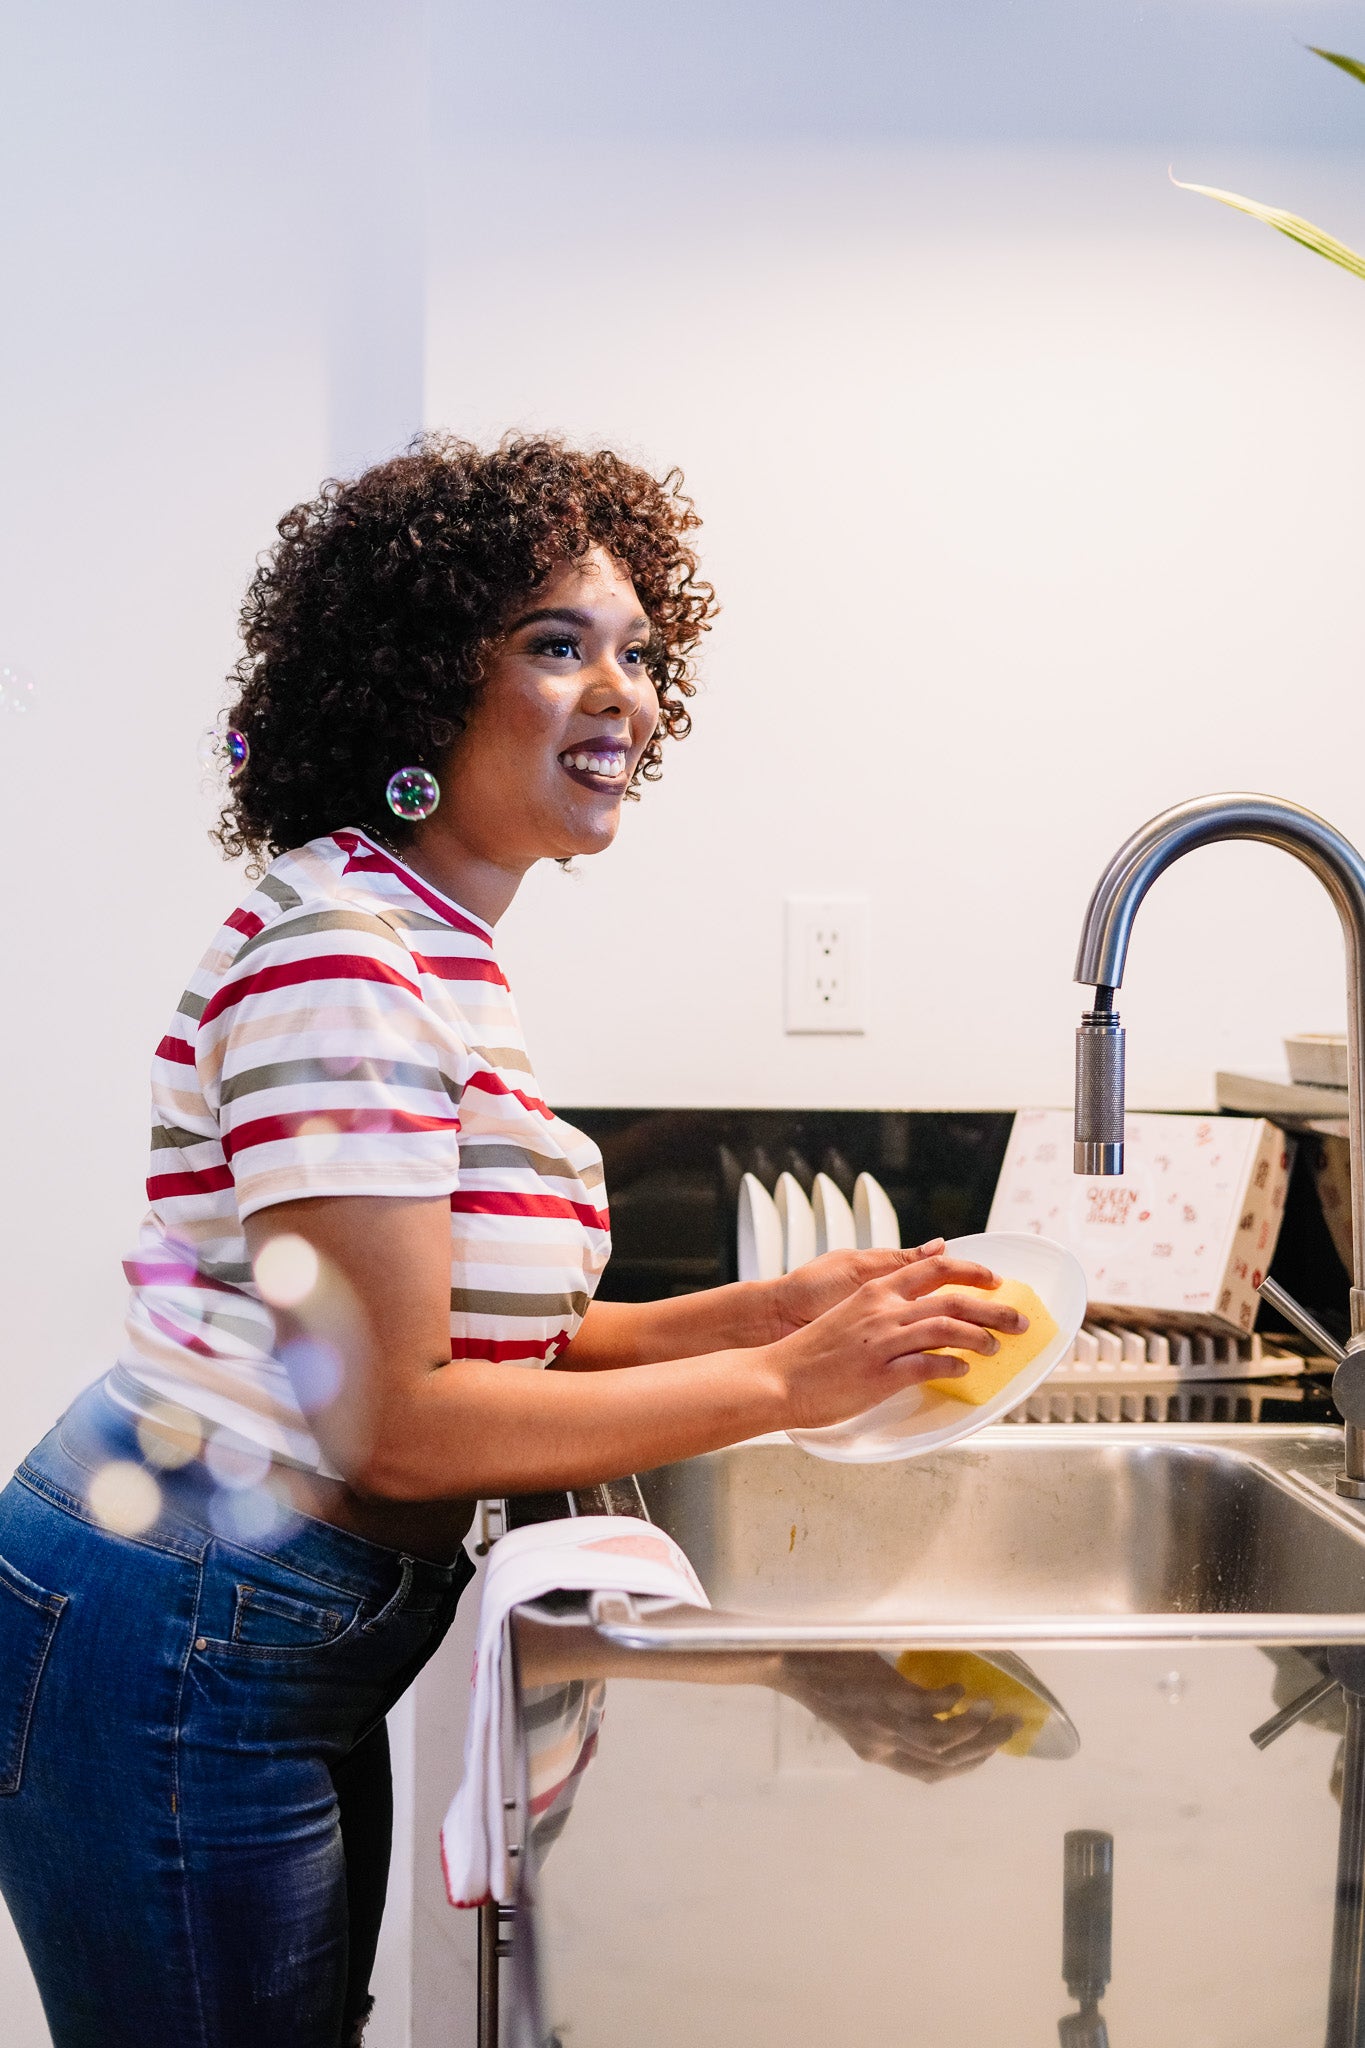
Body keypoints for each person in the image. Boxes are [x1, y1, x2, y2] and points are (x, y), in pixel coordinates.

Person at [0, 436, 1026, 2048]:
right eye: (558, 644)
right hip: (183, 1622)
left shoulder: (430, 943)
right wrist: (787, 1379)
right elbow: (398, 1421)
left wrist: (793, 1304)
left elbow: (495, 1346)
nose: (624, 695)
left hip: (244, 1621)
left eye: (637, 650)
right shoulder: (344, 959)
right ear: (413, 688)